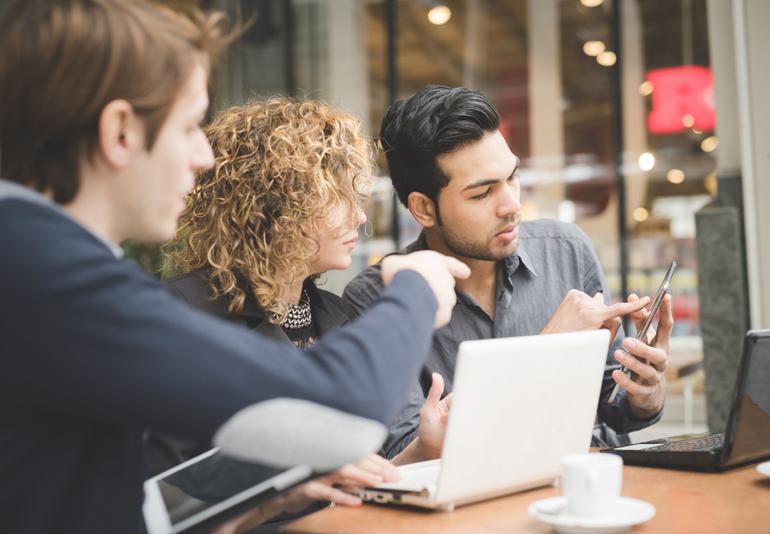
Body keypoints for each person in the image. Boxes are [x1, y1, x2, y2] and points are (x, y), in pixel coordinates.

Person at [0, 3, 468, 531]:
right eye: (188, 126)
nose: (203, 157)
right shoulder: (48, 277)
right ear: (120, 132)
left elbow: (106, 501)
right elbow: (336, 414)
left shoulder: (35, 262)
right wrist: (414, 288)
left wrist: (264, 501)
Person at [150, 98, 453, 515]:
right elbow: (166, 496)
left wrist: (422, 448)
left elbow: (345, 487)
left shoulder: (336, 312)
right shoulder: (183, 314)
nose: (360, 219)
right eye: (340, 197)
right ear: (276, 205)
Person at [343, 85, 673, 460]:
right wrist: (543, 350)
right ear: (423, 209)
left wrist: (645, 395)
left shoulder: (565, 249)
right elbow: (407, 454)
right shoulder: (376, 297)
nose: (512, 205)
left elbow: (610, 406)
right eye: (482, 194)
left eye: (512, 178)